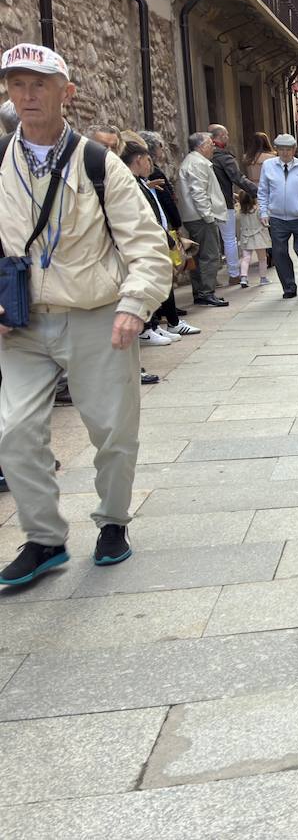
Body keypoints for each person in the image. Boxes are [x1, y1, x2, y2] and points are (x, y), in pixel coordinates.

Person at [0, 42, 171, 585]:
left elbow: (147, 244)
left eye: (40, 84)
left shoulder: (99, 163)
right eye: (18, 84)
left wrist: (134, 306)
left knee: (112, 430)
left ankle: (113, 522)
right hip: (21, 321)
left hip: (98, 315)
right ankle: (44, 539)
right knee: (14, 432)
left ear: (65, 93)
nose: (27, 95)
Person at [118, 135, 198, 344]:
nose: (151, 165)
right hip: (144, 240)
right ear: (138, 160)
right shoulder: (129, 182)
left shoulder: (140, 182)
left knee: (161, 280)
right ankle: (147, 328)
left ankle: (157, 325)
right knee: (147, 282)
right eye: (148, 160)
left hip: (157, 235)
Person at [257, 134, 298, 299]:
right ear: (276, 149)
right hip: (277, 218)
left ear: (294, 149)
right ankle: (289, 287)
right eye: (281, 149)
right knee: (279, 253)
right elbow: (263, 191)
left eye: (288, 149)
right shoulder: (268, 166)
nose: (285, 153)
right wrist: (264, 212)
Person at [174, 131, 229, 308]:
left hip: (194, 216)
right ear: (201, 146)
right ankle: (206, 292)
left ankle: (200, 292)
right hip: (200, 217)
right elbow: (198, 192)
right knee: (210, 255)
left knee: (199, 256)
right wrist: (208, 216)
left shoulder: (194, 161)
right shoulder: (197, 163)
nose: (213, 147)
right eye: (211, 144)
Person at [209, 123, 256, 285]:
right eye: (227, 135)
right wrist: (257, 191)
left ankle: (210, 278)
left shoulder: (202, 157)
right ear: (221, 136)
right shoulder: (223, 156)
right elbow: (238, 178)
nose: (228, 138)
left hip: (205, 203)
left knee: (210, 241)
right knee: (229, 239)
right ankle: (234, 274)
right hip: (223, 203)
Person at [236, 190, 270, 287]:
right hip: (259, 236)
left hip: (246, 237)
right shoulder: (258, 210)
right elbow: (265, 221)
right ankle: (263, 278)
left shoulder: (240, 212)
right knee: (262, 258)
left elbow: (237, 220)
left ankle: (243, 277)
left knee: (246, 258)